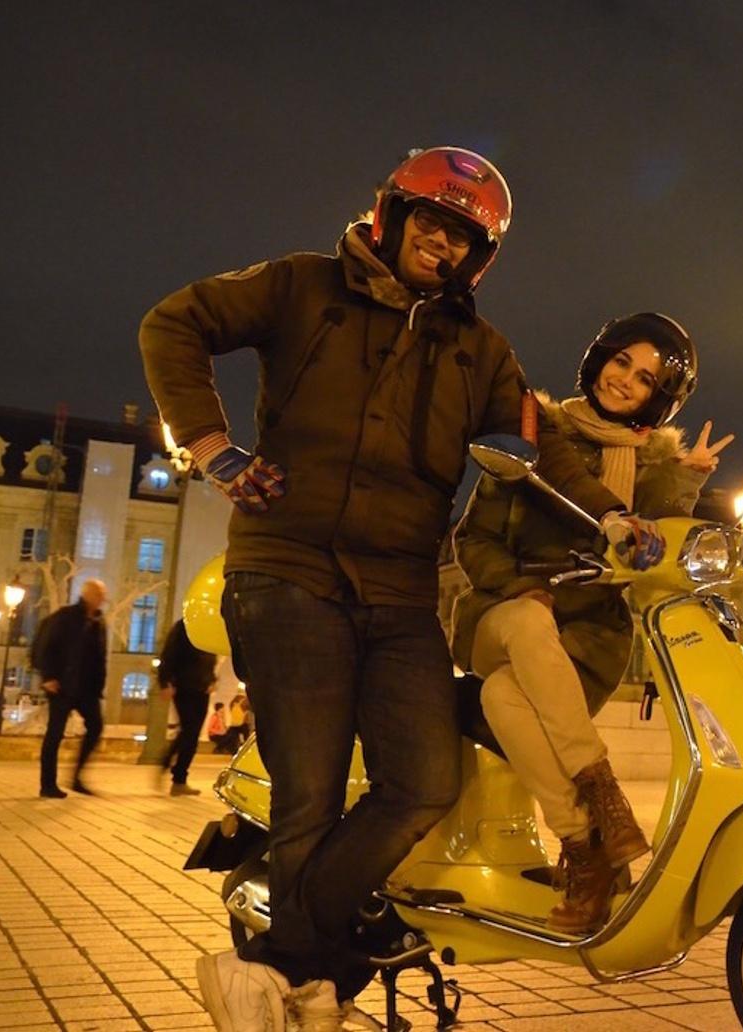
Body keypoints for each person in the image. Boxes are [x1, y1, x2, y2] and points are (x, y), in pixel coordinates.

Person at [141, 146, 659, 1032]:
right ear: (392, 216)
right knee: (309, 795)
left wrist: (613, 516)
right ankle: (310, 983)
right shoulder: (302, 286)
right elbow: (172, 323)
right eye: (431, 222)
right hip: (287, 568)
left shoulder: (481, 352)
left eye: (463, 238)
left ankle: (279, 968)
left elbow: (546, 453)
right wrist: (212, 447)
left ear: (477, 258)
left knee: (420, 783)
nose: (441, 244)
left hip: (398, 592)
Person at [451, 312, 727, 933]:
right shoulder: (532, 436)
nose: (626, 379)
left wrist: (685, 479)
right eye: (622, 361)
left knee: (501, 697)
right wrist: (525, 586)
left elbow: (653, 545)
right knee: (526, 621)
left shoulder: (651, 468)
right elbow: (473, 542)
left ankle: (583, 848)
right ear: (598, 356)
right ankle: (605, 796)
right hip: (503, 614)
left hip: (588, 635)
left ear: (659, 399)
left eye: (647, 378)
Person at [31, 579, 108, 798]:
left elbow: (99, 657)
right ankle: (48, 785)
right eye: (100, 594)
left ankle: (76, 777)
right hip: (61, 685)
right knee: (54, 734)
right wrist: (48, 676)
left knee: (96, 726)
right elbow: (46, 644)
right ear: (88, 595)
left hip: (87, 689)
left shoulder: (99, 622)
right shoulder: (66, 617)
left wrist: (99, 685)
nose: (104, 599)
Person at [158, 618, 218, 797]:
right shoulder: (183, 626)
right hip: (184, 686)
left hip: (202, 688)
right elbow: (168, 655)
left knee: (190, 733)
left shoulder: (209, 627)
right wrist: (164, 682)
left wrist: (212, 679)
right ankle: (178, 778)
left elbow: (210, 657)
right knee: (190, 731)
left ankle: (172, 768)